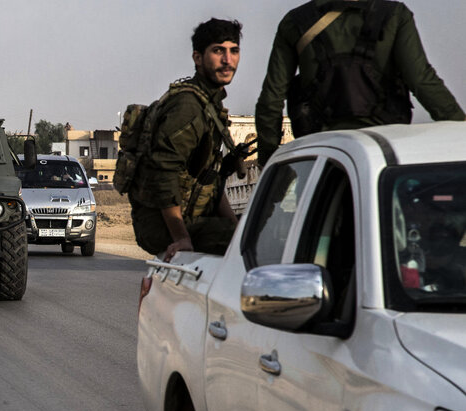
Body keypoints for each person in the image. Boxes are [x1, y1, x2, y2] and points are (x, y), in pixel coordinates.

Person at [256, 0, 465, 167]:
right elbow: (422, 81)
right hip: (384, 150)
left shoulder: (295, 22)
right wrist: (460, 134)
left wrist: (269, 162)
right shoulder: (395, 15)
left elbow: (271, 100)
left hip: (321, 156)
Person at [129, 18, 242, 262]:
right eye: (218, 51)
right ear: (198, 58)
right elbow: (163, 171)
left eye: (234, 51)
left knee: (249, 233)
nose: (227, 60)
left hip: (189, 217)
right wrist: (181, 237)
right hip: (162, 226)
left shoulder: (209, 103)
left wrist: (235, 226)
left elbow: (211, 177)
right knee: (264, 244)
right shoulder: (188, 106)